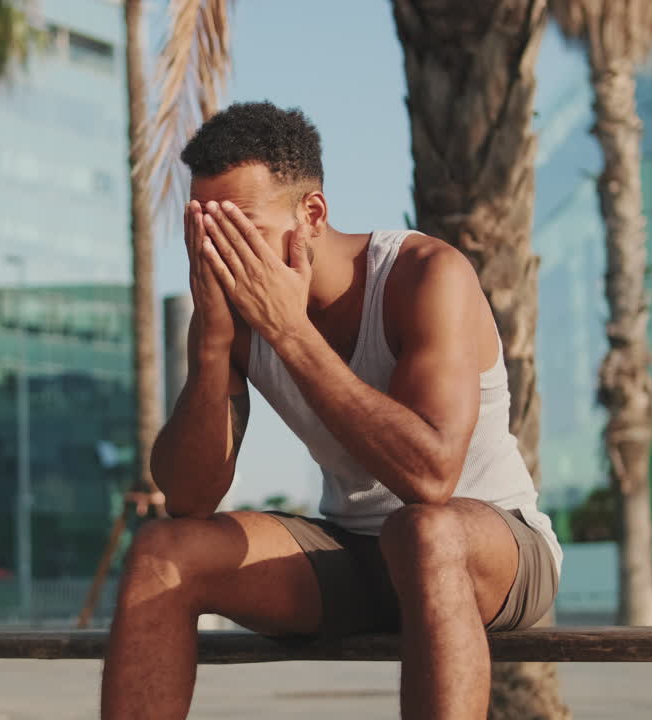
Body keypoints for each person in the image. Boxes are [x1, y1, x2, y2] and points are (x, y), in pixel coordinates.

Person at [100, 102, 562, 720]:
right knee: (164, 549)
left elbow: (430, 479)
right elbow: (189, 499)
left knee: (423, 532)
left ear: (311, 214)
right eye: (207, 234)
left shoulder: (424, 276)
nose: (224, 255)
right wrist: (212, 344)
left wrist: (291, 334)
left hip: (490, 550)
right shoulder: (229, 315)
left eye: (241, 231)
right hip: (357, 557)